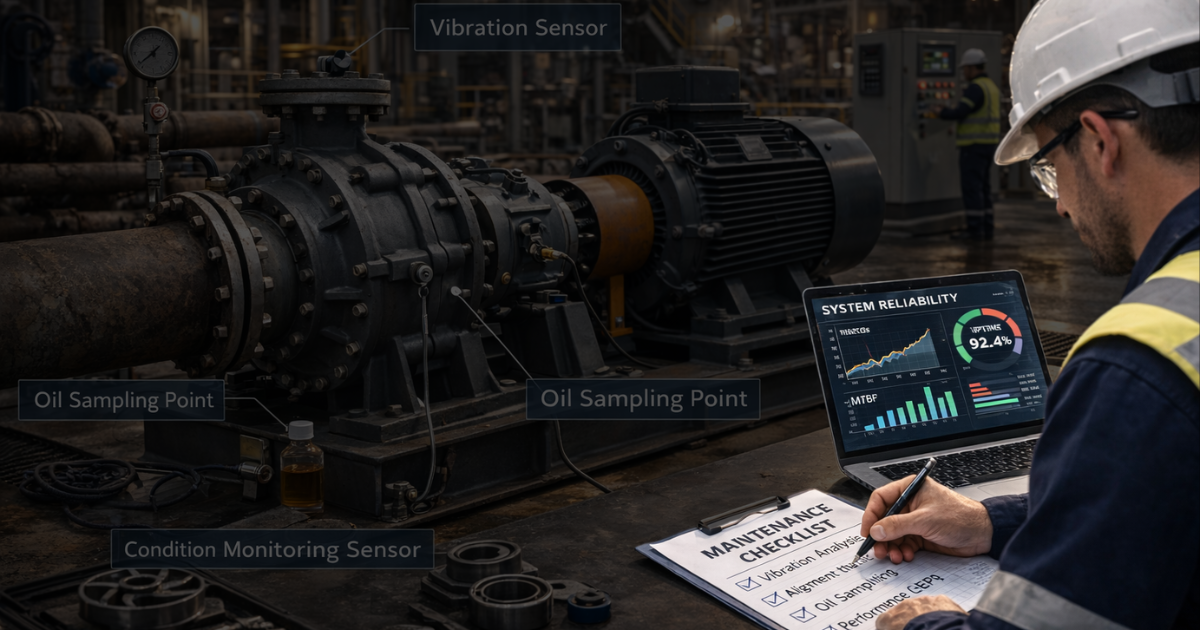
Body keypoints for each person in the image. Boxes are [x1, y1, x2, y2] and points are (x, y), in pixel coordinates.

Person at [861, 1, 1200, 628]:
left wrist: (919, 623)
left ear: (1100, 140)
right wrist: (991, 521)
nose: (1060, 207)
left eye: (1047, 169)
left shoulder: (1137, 366)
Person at [930, 48, 1001, 240]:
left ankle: (974, 230)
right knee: (984, 189)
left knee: (972, 188)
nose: (963, 73)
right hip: (988, 145)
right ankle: (986, 228)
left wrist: (940, 112)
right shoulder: (991, 86)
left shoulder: (975, 88)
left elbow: (961, 111)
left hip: (973, 146)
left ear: (971, 68)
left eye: (965, 69)